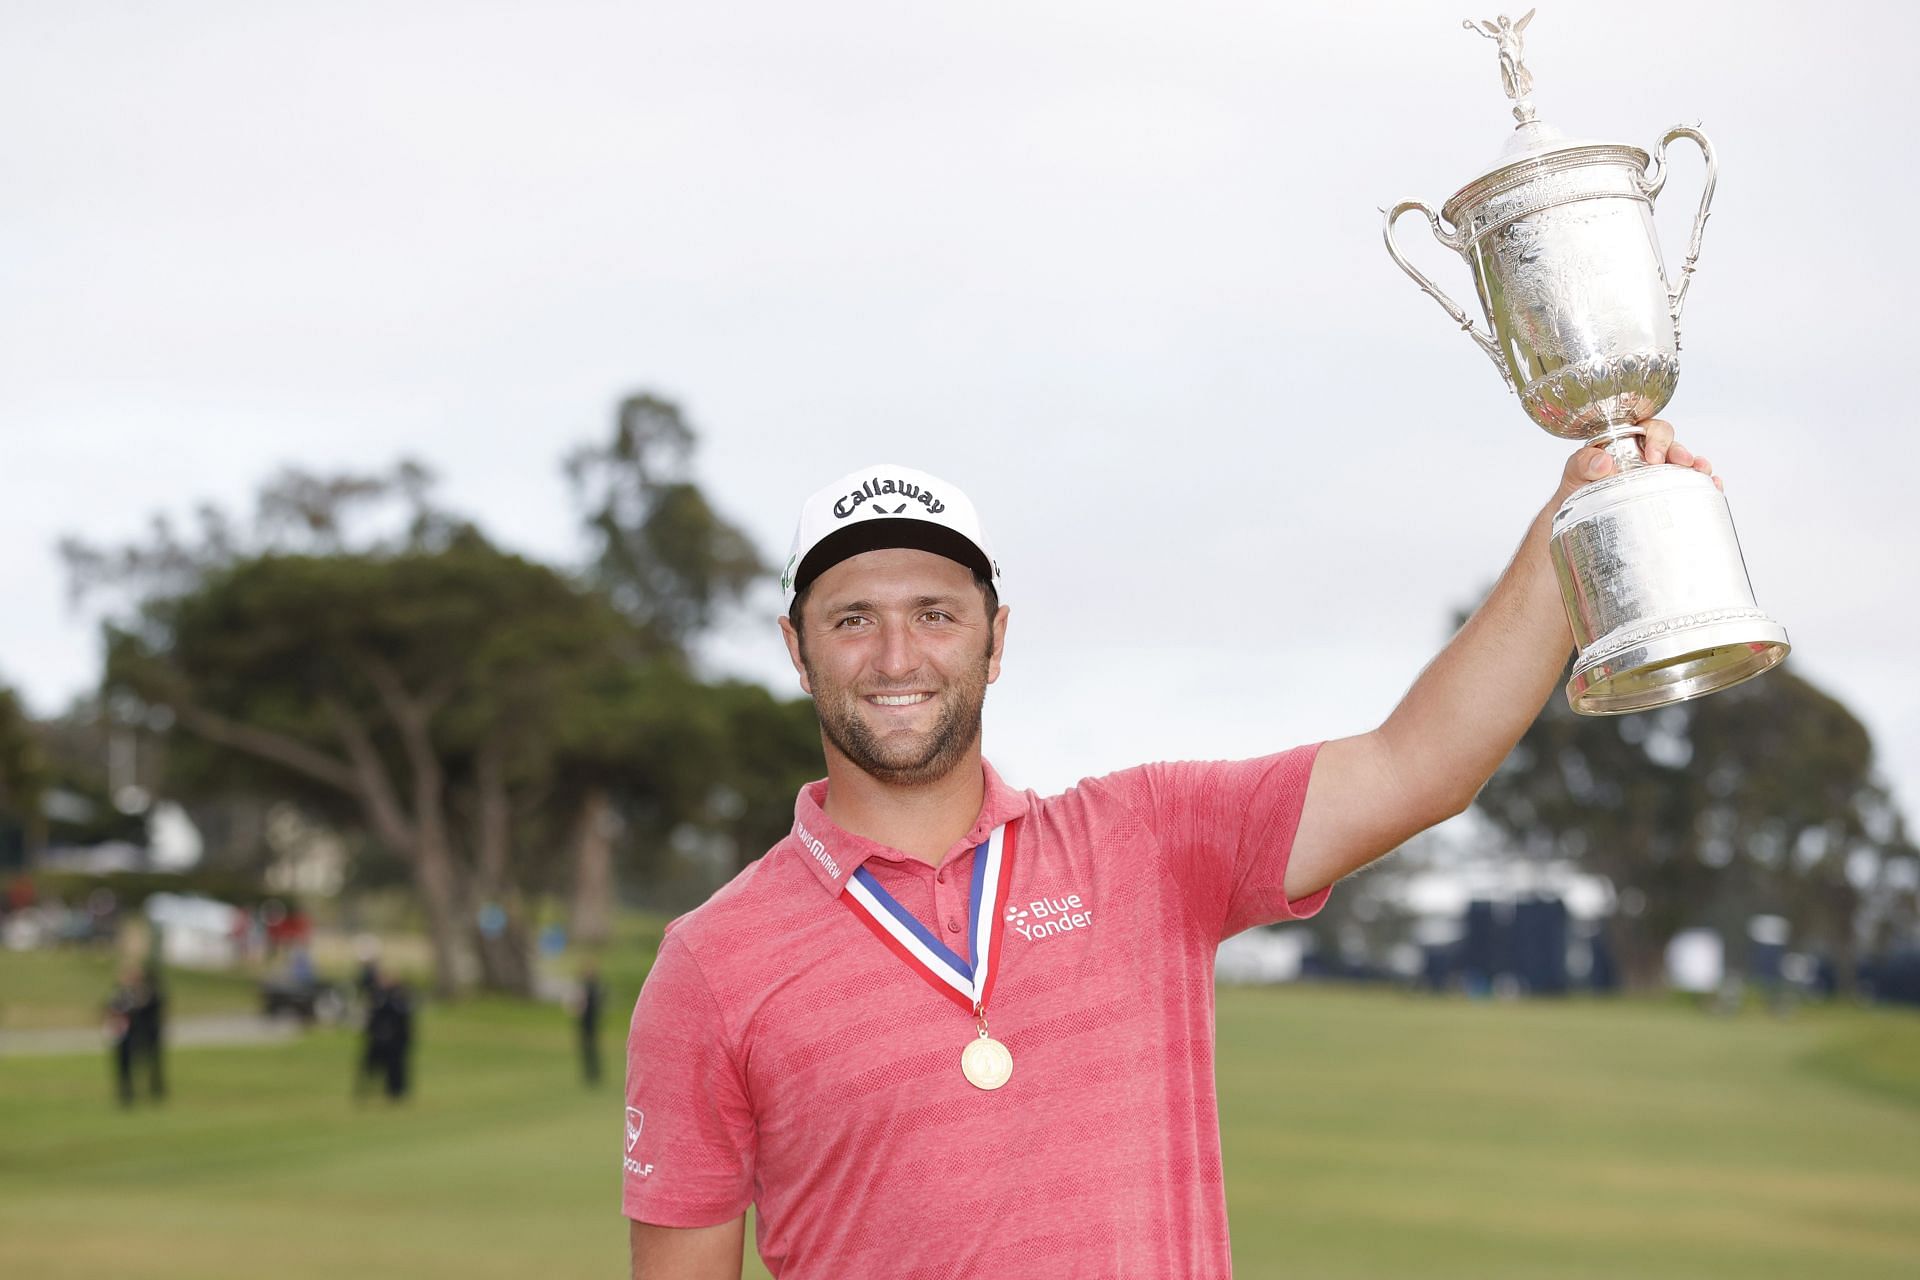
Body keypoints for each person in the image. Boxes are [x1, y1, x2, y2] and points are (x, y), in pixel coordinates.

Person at [623, 434, 1722, 1276]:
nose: (898, 655)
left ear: (997, 638)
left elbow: (1418, 764)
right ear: (796, 648)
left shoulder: (1145, 838)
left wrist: (1569, 521)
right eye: (853, 616)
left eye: (937, 613)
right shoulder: (711, 964)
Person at [104, 964, 164, 1106]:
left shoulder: (144, 993)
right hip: (122, 1035)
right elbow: (109, 1009)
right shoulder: (118, 994)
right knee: (123, 1066)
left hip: (139, 1034)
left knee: (149, 1062)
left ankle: (155, 1088)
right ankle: (126, 1093)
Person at [574, 966, 604, 1086]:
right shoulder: (585, 988)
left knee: (592, 1049)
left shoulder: (594, 989)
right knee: (587, 1049)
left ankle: (594, 1073)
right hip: (585, 1023)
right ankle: (590, 1073)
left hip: (591, 1023)